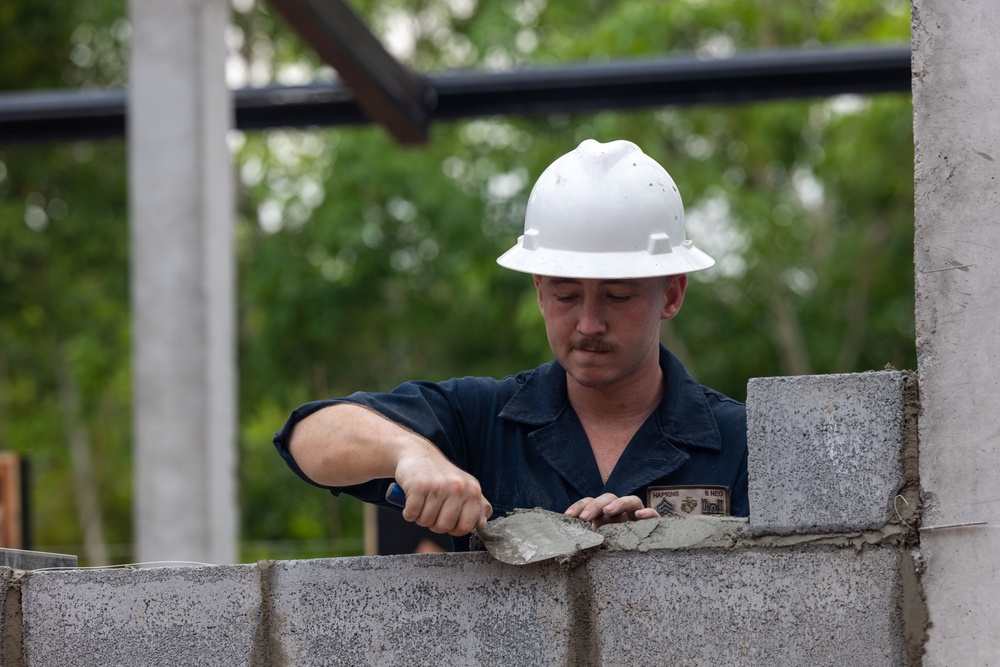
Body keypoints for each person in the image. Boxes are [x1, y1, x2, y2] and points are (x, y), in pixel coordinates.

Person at [273, 139, 748, 551]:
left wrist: (677, 559)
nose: (588, 323)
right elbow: (307, 436)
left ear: (671, 294)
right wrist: (412, 455)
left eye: (617, 295)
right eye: (565, 294)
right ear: (540, 292)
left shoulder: (745, 444)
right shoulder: (481, 421)